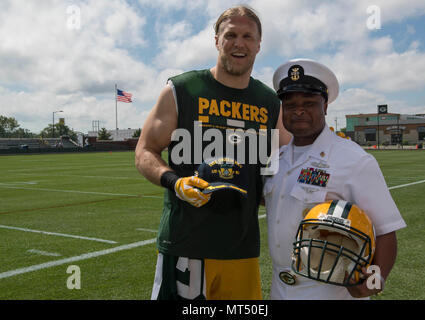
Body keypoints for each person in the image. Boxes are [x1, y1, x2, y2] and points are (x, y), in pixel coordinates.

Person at [135, 5, 290, 300]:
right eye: (230, 35)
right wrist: (174, 182)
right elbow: (145, 151)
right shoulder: (181, 89)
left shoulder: (270, 103)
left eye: (248, 36)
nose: (239, 43)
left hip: (242, 248)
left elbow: (284, 163)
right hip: (187, 244)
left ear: (259, 44)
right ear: (216, 40)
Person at [263, 58, 407, 300]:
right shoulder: (277, 159)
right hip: (280, 287)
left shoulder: (353, 160)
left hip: (331, 291)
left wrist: (375, 279)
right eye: (290, 104)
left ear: (325, 106)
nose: (299, 111)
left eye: (309, 103)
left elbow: (385, 230)